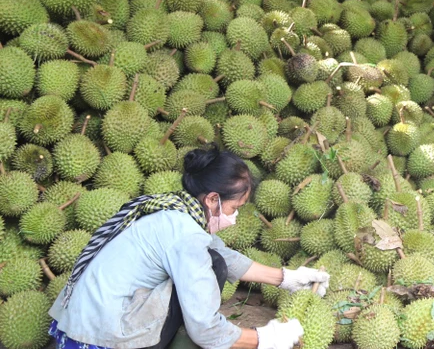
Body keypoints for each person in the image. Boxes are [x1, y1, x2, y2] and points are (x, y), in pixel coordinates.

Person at [49, 146, 330, 349]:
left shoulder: (174, 210)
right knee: (208, 280)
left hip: (79, 324)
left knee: (215, 262)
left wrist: (287, 278)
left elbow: (223, 256)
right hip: (99, 338)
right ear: (212, 200)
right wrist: (264, 338)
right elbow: (206, 330)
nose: (235, 216)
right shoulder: (185, 235)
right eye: (235, 208)